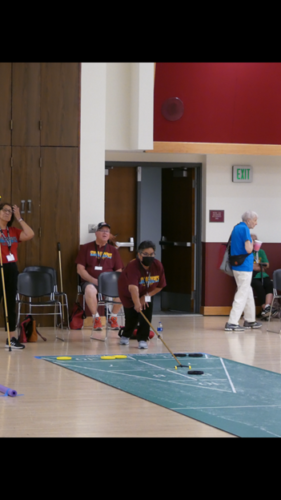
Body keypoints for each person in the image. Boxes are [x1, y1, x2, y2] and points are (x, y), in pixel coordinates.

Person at [118, 240, 166, 349]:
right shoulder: (133, 266)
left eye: (152, 254)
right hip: (128, 294)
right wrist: (137, 303)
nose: (149, 257)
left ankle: (142, 339)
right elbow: (133, 288)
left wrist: (146, 296)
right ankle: (126, 335)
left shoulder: (157, 265)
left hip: (146, 293)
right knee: (132, 317)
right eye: (146, 254)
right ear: (139, 255)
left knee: (146, 315)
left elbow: (160, 286)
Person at [75, 222, 123, 331]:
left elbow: (119, 271)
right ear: (96, 233)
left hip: (109, 284)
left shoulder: (113, 251)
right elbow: (80, 269)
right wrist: (94, 281)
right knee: (90, 289)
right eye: (102, 231)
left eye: (107, 231)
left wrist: (114, 283)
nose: (105, 233)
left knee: (123, 289)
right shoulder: (86, 248)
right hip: (91, 282)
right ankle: (96, 318)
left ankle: (113, 317)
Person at [0, 202, 35, 349]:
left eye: (10, 211)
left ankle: (11, 337)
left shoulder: (13, 231)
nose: (8, 213)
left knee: (10, 304)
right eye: (5, 210)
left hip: (11, 268)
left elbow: (30, 234)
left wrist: (20, 218)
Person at [225, 211, 262, 332]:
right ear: (249, 220)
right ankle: (232, 322)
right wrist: (253, 245)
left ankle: (250, 320)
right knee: (242, 294)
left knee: (247, 292)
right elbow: (248, 249)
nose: (256, 223)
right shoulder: (245, 229)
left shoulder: (237, 227)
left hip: (237, 266)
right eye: (255, 220)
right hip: (244, 267)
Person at [250, 234, 274, 319]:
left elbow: (266, 265)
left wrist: (257, 266)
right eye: (252, 240)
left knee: (269, 284)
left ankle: (266, 307)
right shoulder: (246, 252)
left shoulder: (261, 252)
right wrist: (260, 267)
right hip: (251, 276)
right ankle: (265, 309)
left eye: (255, 240)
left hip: (262, 275)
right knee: (259, 286)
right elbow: (249, 266)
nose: (254, 242)